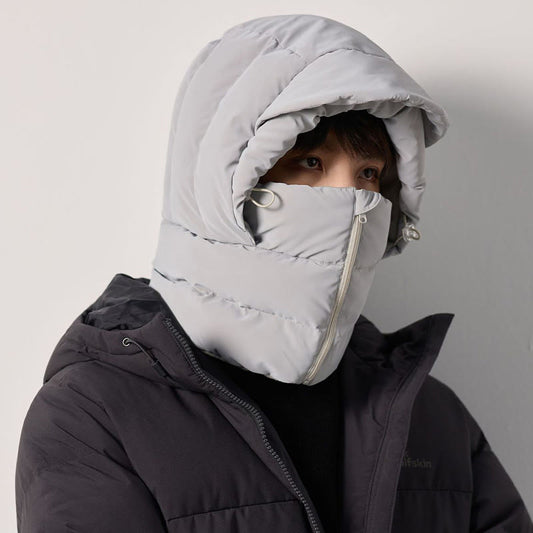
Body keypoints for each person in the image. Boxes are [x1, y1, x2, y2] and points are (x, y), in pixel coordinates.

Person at [15, 13, 532, 533]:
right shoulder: (93, 415)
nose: (350, 200)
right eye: (310, 163)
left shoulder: (427, 414)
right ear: (219, 182)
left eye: (368, 174)